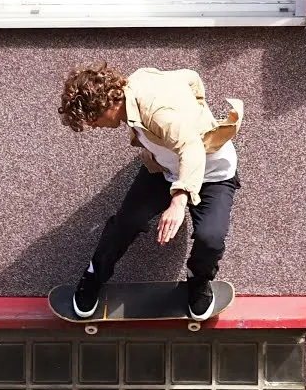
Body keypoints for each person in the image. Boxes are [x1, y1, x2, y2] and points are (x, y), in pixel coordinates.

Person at [58, 63, 244, 321]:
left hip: (212, 174)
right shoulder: (136, 82)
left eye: (93, 118)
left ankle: (199, 278)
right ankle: (94, 274)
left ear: (109, 103)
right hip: (165, 170)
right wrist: (197, 104)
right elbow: (190, 77)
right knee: (126, 223)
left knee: (210, 238)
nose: (93, 125)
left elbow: (192, 149)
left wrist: (178, 202)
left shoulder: (157, 111)